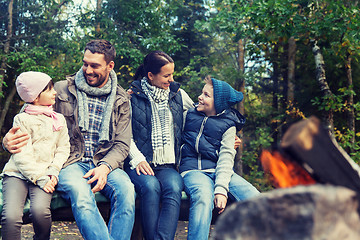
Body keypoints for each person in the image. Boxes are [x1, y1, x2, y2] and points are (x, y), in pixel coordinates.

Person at [2, 40, 135, 240]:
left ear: (110, 66)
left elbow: (122, 144)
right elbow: (28, 114)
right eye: (85, 63)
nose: (88, 70)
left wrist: (105, 167)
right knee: (81, 196)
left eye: (95, 65)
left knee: (127, 192)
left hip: (105, 162)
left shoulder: (121, 99)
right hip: (70, 161)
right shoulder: (63, 89)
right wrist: (7, 140)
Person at [179, 76, 260, 240]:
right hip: (192, 170)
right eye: (202, 93)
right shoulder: (190, 113)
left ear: (219, 103)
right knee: (203, 197)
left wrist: (221, 190)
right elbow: (175, 92)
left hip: (219, 171)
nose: (200, 97)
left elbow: (226, 160)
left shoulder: (229, 125)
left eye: (206, 95)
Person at [125, 50, 193, 240]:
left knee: (173, 186)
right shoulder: (132, 97)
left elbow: (199, 116)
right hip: (139, 162)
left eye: (172, 74)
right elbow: (123, 134)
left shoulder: (178, 95)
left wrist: (227, 134)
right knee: (151, 187)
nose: (171, 79)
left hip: (168, 165)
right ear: (150, 76)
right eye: (166, 75)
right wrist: (137, 159)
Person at [1, 71, 70, 240]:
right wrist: (39, 178)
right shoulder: (22, 119)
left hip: (46, 174)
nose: (55, 92)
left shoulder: (58, 119)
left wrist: (53, 171)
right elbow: (22, 155)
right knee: (10, 217)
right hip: (17, 175)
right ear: (36, 97)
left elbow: (63, 148)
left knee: (40, 213)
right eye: (49, 89)